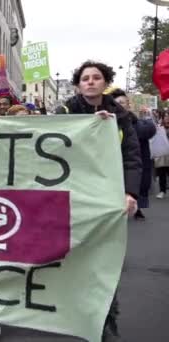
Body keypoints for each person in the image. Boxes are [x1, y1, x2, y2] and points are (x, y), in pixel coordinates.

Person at [64, 61, 141, 342]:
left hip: (108, 199)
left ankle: (107, 318)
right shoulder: (64, 112)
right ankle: (77, 314)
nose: (91, 82)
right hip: (74, 197)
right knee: (74, 258)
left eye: (97, 77)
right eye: (85, 78)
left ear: (105, 81)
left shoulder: (120, 117)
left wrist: (130, 193)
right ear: (78, 84)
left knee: (104, 260)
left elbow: (133, 157)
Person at [110, 89, 156, 220]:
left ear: (128, 105)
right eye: (116, 103)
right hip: (114, 162)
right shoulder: (107, 120)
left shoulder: (134, 121)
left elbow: (147, 131)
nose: (119, 105)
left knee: (134, 183)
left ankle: (136, 207)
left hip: (133, 160)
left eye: (122, 102)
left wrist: (147, 116)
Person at [155, 115, 169, 199]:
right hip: (161, 155)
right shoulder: (159, 127)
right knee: (161, 173)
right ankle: (162, 191)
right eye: (166, 117)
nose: (167, 118)